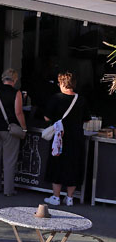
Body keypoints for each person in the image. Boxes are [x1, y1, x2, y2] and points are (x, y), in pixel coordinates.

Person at [42, 71, 88, 207]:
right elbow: (86, 119)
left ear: (62, 83)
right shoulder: (81, 100)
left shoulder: (56, 98)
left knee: (57, 165)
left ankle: (56, 197)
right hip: (76, 138)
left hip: (59, 137)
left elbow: (46, 117)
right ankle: (69, 198)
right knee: (73, 166)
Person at [0, 69, 27, 197]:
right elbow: (18, 112)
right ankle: (8, 190)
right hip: (9, 130)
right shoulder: (17, 93)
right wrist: (24, 128)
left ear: (3, 78)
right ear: (14, 80)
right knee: (9, 160)